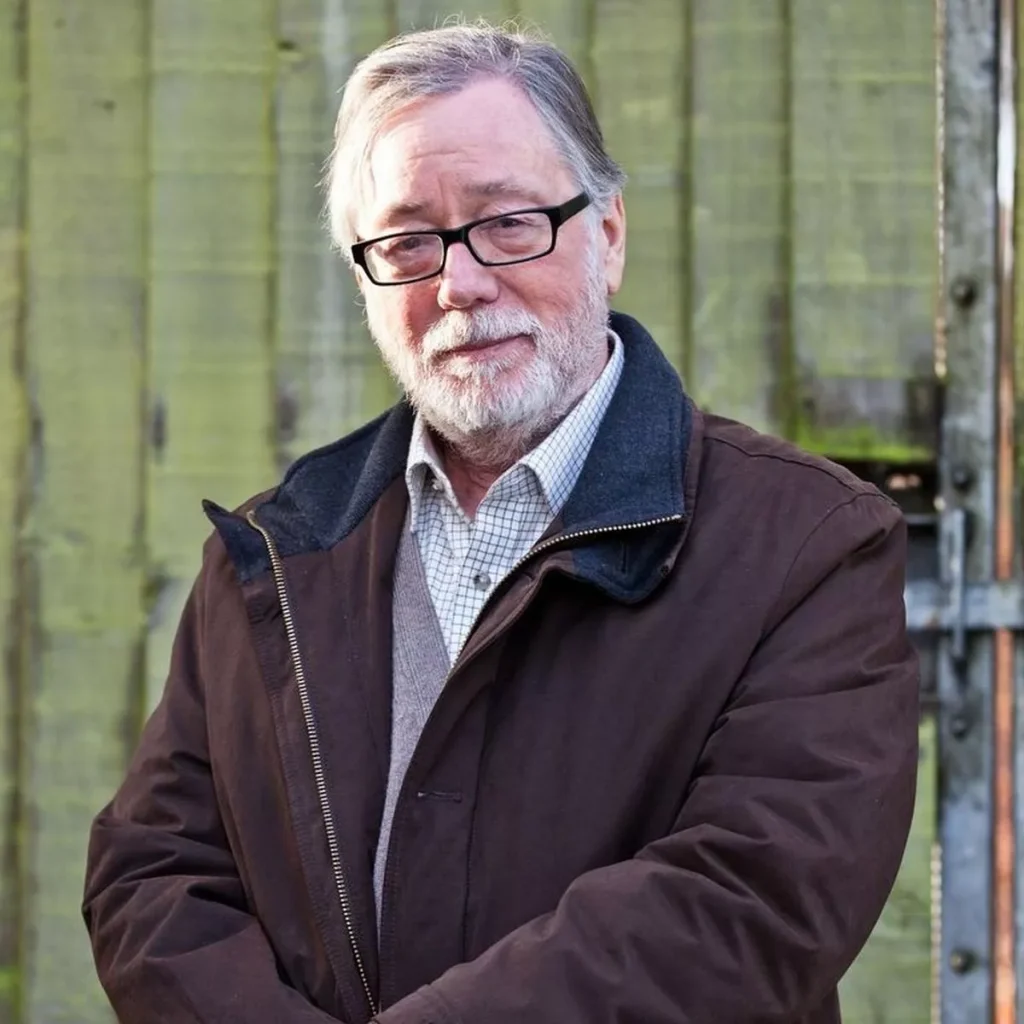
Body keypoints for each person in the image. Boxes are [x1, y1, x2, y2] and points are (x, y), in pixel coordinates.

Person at [83, 22, 920, 1024]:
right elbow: (152, 875)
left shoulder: (806, 544)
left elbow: (756, 899)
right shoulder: (278, 554)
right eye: (407, 242)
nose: (459, 283)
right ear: (364, 279)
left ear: (608, 234)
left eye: (509, 223)